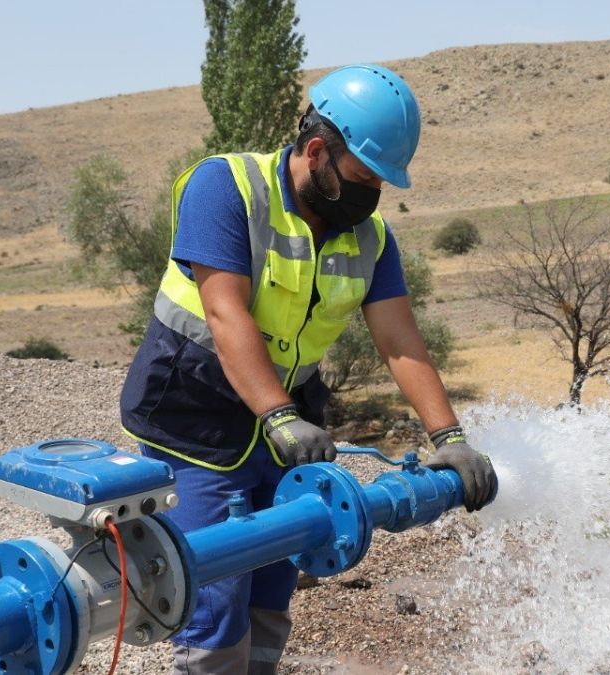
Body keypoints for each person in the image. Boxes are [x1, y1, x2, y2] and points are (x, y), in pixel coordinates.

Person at [119, 63, 497, 675]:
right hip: (193, 416)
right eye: (363, 178)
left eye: (381, 183)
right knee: (212, 588)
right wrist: (279, 415)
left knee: (273, 580)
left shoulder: (369, 237)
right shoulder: (226, 188)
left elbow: (400, 340)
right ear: (317, 150)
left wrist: (449, 438)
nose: (371, 195)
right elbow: (224, 312)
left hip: (289, 420)